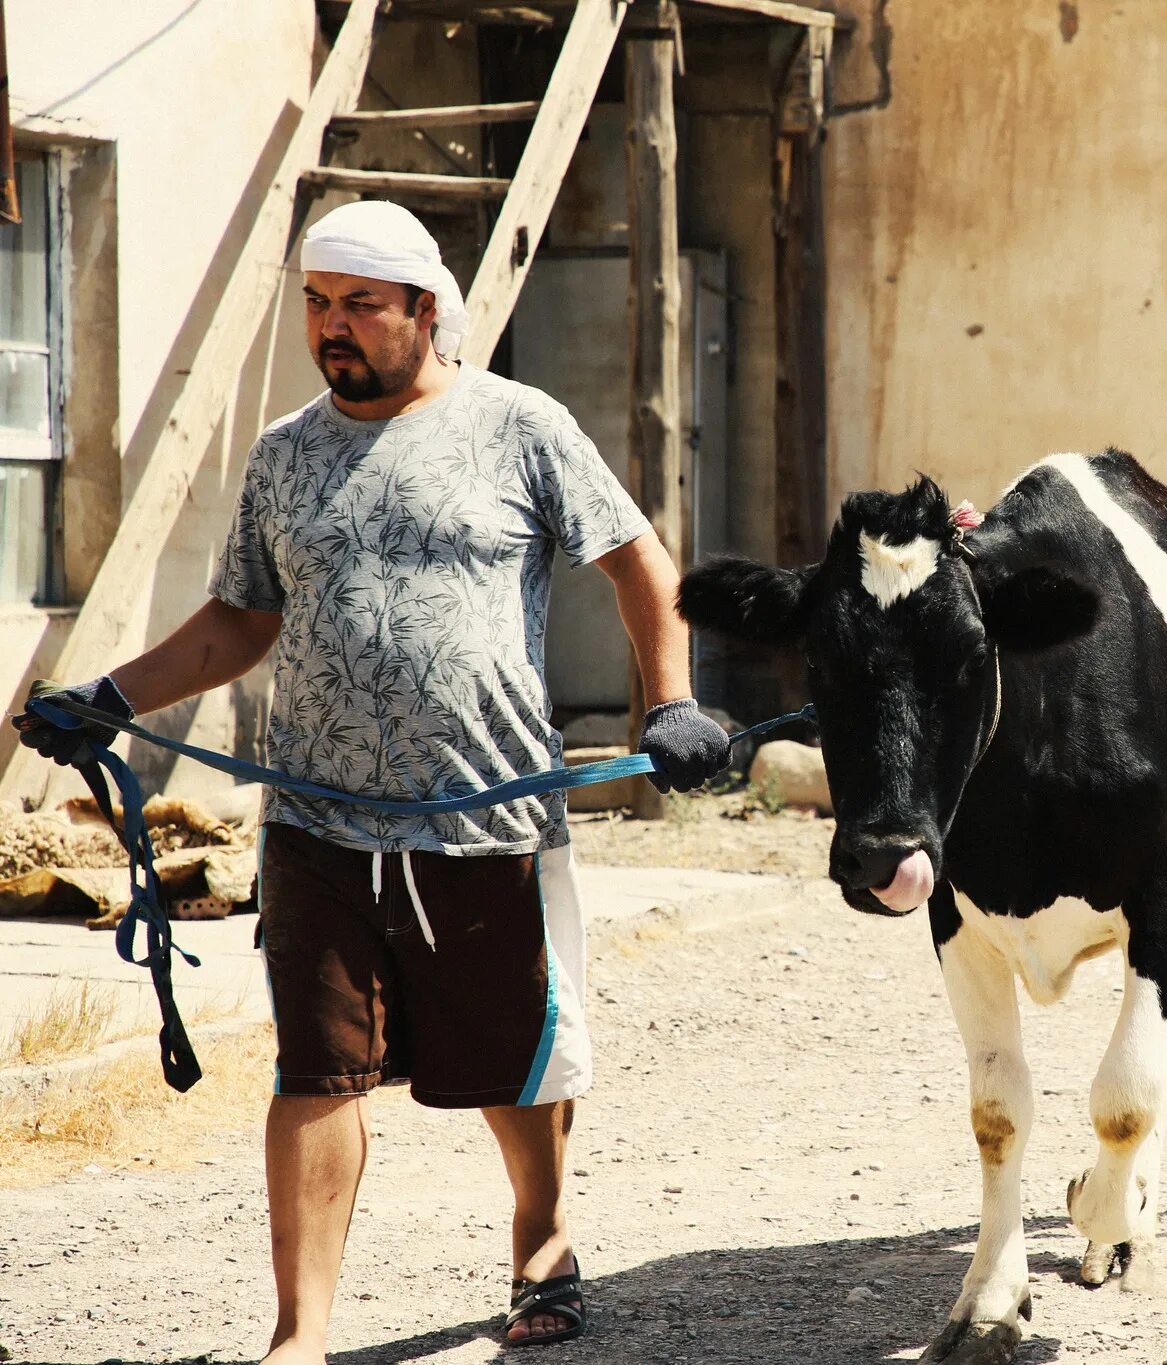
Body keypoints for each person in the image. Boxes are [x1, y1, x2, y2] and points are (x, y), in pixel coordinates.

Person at [9, 201, 731, 1359]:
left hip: (485, 808)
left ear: (424, 311)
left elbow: (636, 560)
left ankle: (540, 1240)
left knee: (517, 1056)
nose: (331, 328)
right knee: (317, 1067)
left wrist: (673, 702)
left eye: (357, 306)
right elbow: (241, 618)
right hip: (316, 819)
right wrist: (109, 698)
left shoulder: (519, 426)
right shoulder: (286, 453)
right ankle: (302, 1334)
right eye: (316, 304)